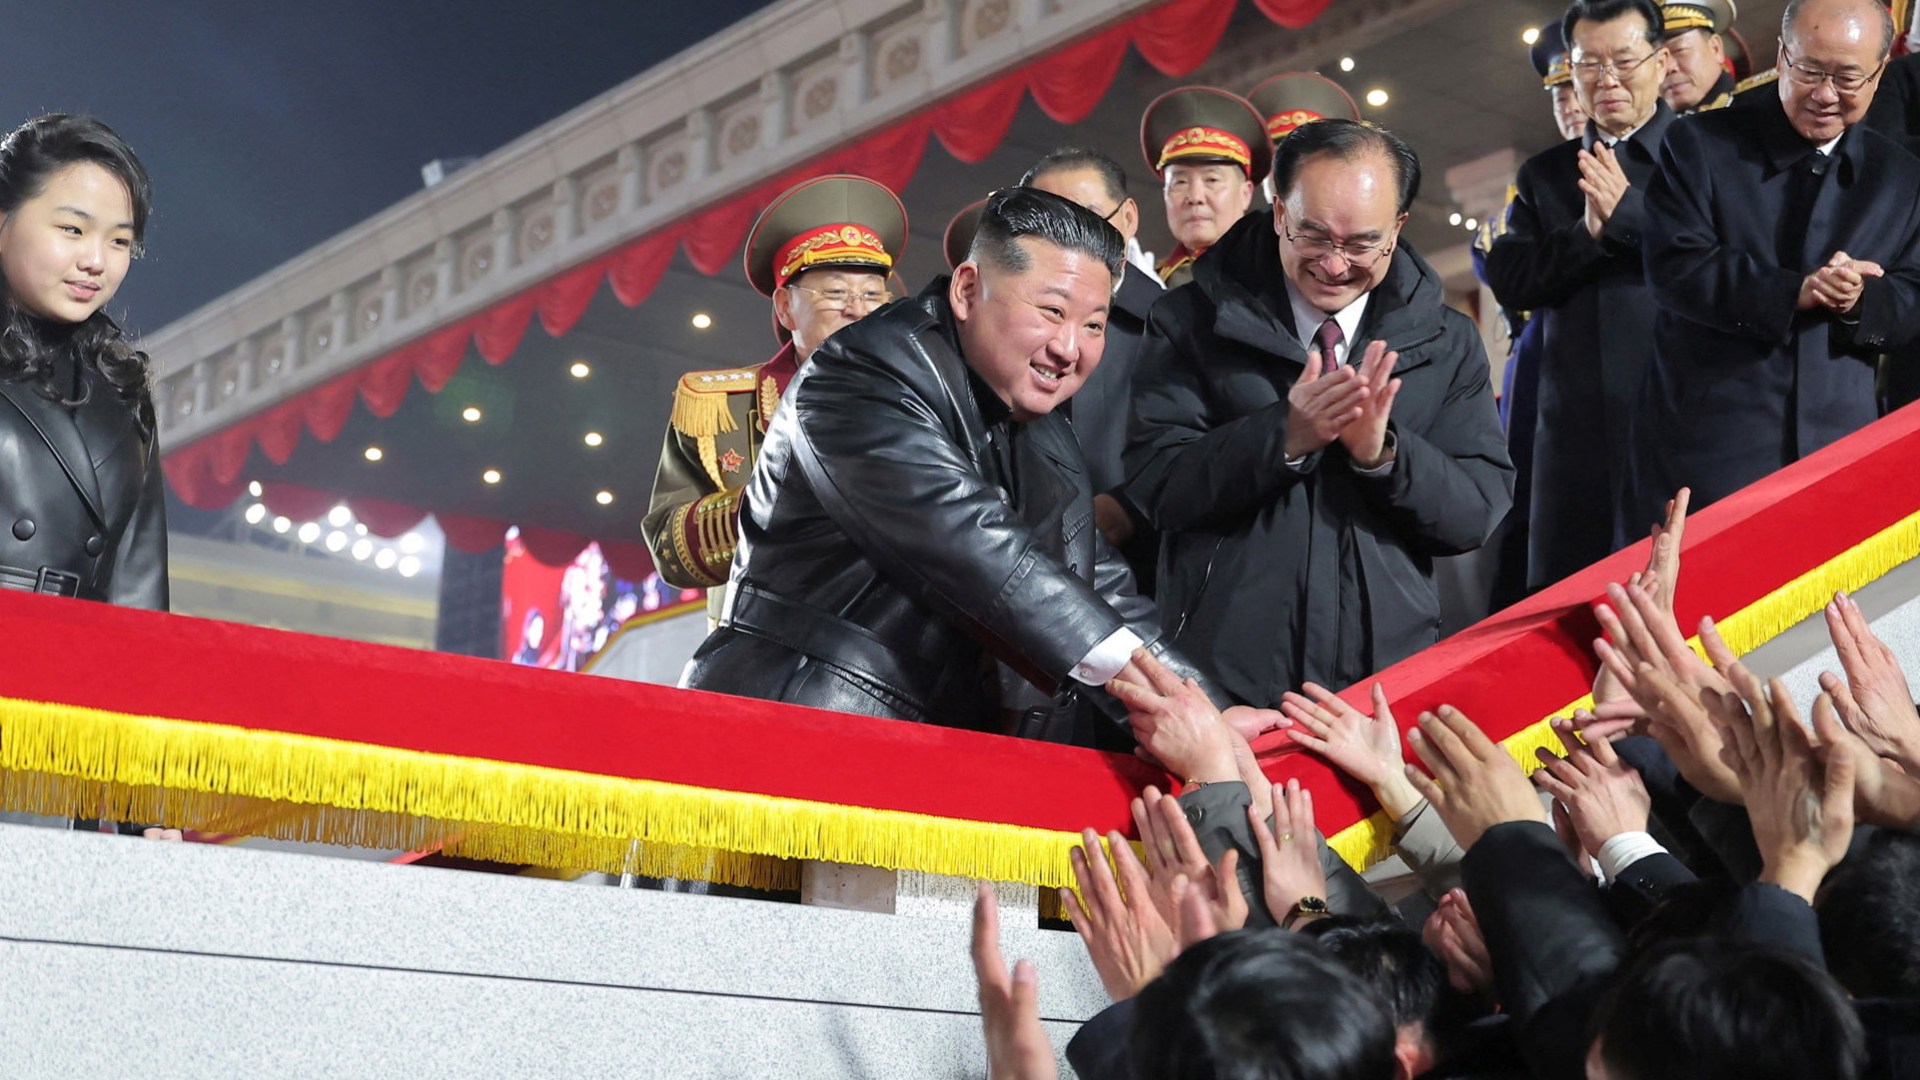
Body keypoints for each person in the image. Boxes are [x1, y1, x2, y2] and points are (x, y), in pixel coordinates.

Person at [681, 187, 1217, 743]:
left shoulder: (1046, 429)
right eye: (1052, 311)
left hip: (929, 747)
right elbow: (978, 544)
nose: (1069, 347)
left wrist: (1210, 712)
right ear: (966, 290)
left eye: (1094, 325)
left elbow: (1098, 583)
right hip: (791, 728)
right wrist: (1166, 699)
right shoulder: (861, 375)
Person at [1126, 118, 1512, 706]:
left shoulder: (1447, 342)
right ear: (1279, 211)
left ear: (1397, 227)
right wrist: (1283, 436)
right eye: (1313, 236)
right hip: (1227, 683)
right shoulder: (1190, 320)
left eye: (1360, 244)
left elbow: (1474, 514)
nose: (1335, 265)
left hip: (1386, 680)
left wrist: (1385, 456)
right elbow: (1158, 486)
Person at [1630, 0, 1920, 526]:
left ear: (1879, 74)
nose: (1825, 94)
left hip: (1843, 446)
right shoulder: (1700, 144)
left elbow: (1912, 298)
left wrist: (1860, 300)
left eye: (1847, 78)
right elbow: (1677, 268)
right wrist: (1794, 292)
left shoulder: (1900, 177)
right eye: (1809, 70)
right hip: (1714, 447)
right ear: (1783, 56)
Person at [0, 114, 175, 840]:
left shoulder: (122, 392)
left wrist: (143, 801)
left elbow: (137, 603)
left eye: (120, 241)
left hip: (56, 725)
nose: (96, 261)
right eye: (72, 229)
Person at [640, 174, 905, 624]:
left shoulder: (922, 400)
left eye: (872, 295)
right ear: (785, 307)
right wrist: (778, 503)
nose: (857, 309)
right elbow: (669, 548)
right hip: (762, 644)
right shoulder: (720, 407)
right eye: (835, 292)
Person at [1485, 0, 1676, 589]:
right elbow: (1512, 277)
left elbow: (1724, 254)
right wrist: (1587, 234)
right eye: (1589, 65)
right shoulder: (1546, 175)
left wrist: (1628, 216)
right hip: (1575, 434)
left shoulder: (1703, 152)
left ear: (1662, 62)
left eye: (1624, 60)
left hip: (1677, 413)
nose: (1607, 79)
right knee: (1575, 598)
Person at [1018, 148, 1162, 592]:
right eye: (1050, 224)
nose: (1073, 240)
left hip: (1150, 572)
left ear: (1128, 218)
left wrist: (1131, 507)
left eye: (1090, 218)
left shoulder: (1179, 322)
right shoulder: (1004, 323)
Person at [1138, 87, 1270, 288]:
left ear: (1245, 194)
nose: (1195, 197)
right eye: (1180, 182)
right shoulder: (1151, 283)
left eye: (1212, 180)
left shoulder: (1277, 274)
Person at [1660, 0, 1741, 113]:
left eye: (1679, 50)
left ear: (1715, 48)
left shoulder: (1757, 107)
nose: (1668, 67)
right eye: (1657, 59)